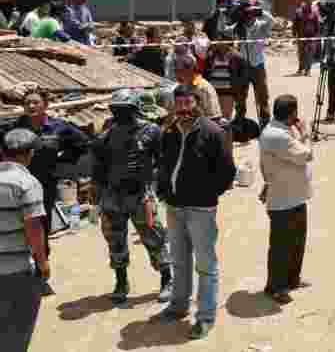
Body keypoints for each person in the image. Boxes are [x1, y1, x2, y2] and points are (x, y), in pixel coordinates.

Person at [154, 84, 236, 340]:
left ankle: (205, 317)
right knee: (179, 260)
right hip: (174, 206)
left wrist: (208, 193)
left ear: (197, 104)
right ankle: (179, 305)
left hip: (201, 208)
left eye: (188, 103)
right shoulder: (169, 131)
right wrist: (163, 191)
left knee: (205, 265)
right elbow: (163, 164)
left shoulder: (213, 132)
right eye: (178, 104)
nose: (183, 109)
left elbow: (227, 171)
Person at [92, 90, 172, 304]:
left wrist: (161, 188)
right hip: (113, 196)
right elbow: (98, 168)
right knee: (115, 242)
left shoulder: (151, 131)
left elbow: (163, 161)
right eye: (116, 110)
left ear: (135, 110)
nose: (120, 114)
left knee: (154, 237)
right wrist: (96, 201)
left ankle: (167, 279)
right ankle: (121, 282)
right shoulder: (106, 134)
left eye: (124, 110)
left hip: (140, 195)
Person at [14, 88, 91, 295]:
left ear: (45, 105)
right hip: (17, 186)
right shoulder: (15, 127)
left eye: (35, 102)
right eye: (27, 103)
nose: (31, 106)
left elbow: (83, 143)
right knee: (17, 229)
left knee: (41, 228)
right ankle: (19, 276)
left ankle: (41, 276)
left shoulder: (59, 127)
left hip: (44, 187)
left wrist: (62, 161)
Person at [259, 95, 313, 304]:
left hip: (295, 196)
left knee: (297, 242)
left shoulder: (282, 129)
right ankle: (275, 287)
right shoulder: (276, 135)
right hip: (283, 200)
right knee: (281, 246)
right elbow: (306, 155)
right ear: (292, 113)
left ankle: (292, 279)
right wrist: (306, 134)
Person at [0, 128, 48, 352]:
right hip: (16, 269)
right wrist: (42, 262)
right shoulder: (27, 183)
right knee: (17, 327)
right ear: (29, 154)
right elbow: (33, 227)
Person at [229, 0, 274, 125]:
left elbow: (271, 21)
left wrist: (260, 11)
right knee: (240, 95)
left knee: (262, 95)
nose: (249, 16)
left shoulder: (262, 26)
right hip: (242, 65)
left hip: (257, 65)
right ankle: (239, 119)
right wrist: (234, 12)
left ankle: (265, 120)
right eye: (247, 13)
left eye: (251, 13)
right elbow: (225, 30)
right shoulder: (239, 27)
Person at [203, 37, 245, 121]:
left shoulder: (236, 56)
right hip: (213, 92)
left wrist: (238, 88)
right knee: (213, 117)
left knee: (226, 118)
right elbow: (205, 73)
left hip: (228, 92)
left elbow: (242, 74)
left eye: (221, 40)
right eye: (218, 41)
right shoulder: (210, 55)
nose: (219, 43)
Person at [174, 53, 222, 120]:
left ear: (190, 70)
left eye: (179, 70)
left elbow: (214, 115)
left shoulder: (203, 87)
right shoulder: (182, 86)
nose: (176, 73)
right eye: (175, 70)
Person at [292, 0, 320, 77]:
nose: (305, 4)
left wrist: (317, 35)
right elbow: (295, 23)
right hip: (301, 36)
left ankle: (308, 70)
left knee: (309, 54)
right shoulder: (299, 12)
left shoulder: (314, 13)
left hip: (311, 37)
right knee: (301, 53)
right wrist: (294, 33)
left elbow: (317, 25)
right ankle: (301, 69)